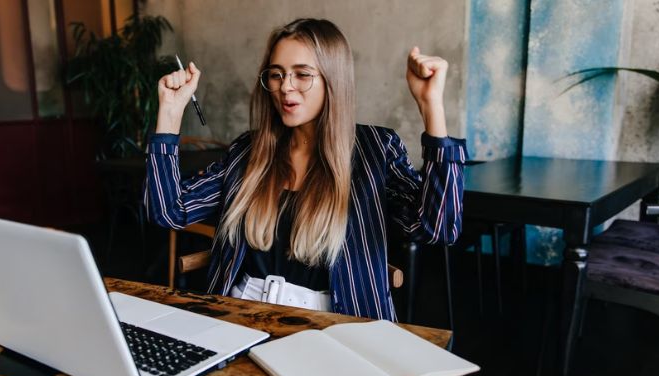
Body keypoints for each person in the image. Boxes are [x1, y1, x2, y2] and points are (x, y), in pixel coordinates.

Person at [144, 18, 466, 321]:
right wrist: (170, 114)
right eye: (276, 74)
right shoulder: (248, 150)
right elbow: (170, 211)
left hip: (337, 325)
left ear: (332, 79)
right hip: (240, 316)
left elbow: (438, 227)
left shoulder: (375, 149)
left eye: (302, 74)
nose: (285, 87)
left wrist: (431, 107)